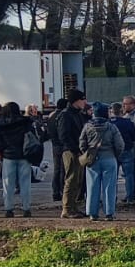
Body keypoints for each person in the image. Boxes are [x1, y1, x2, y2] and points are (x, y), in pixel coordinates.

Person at [80, 101, 125, 221]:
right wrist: (115, 155)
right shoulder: (111, 126)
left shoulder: (87, 126)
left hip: (93, 158)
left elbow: (82, 143)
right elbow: (120, 144)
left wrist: (88, 153)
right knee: (109, 186)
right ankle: (109, 212)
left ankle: (92, 213)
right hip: (109, 157)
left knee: (92, 186)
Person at [0, 100, 36, 217]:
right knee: (25, 183)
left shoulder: (0, 124)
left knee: (8, 184)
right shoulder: (25, 122)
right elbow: (33, 137)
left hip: (8, 156)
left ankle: (8, 209)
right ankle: (26, 208)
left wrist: (2, 150)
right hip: (24, 155)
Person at [55, 88, 90, 217]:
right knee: (71, 179)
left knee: (78, 180)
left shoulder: (78, 114)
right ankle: (67, 209)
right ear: (76, 100)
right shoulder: (65, 115)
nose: (85, 101)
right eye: (82, 99)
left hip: (78, 151)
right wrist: (76, 149)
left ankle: (73, 207)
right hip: (71, 152)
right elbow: (64, 136)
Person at [109, 102, 135, 206]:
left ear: (111, 111)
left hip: (113, 151)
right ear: (121, 111)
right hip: (127, 149)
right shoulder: (127, 122)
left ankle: (112, 198)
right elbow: (134, 136)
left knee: (113, 176)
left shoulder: (109, 123)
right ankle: (130, 197)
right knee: (129, 175)